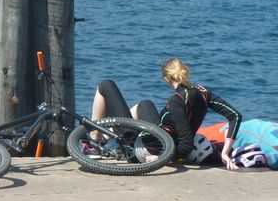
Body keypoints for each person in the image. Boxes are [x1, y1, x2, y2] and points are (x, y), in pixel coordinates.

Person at [91, 57, 242, 170]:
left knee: (105, 85)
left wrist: (161, 158)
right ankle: (108, 133)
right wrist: (225, 153)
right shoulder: (203, 92)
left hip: (141, 150)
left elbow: (186, 143)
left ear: (166, 79)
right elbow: (235, 115)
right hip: (157, 137)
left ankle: (93, 143)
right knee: (145, 104)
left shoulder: (177, 101)